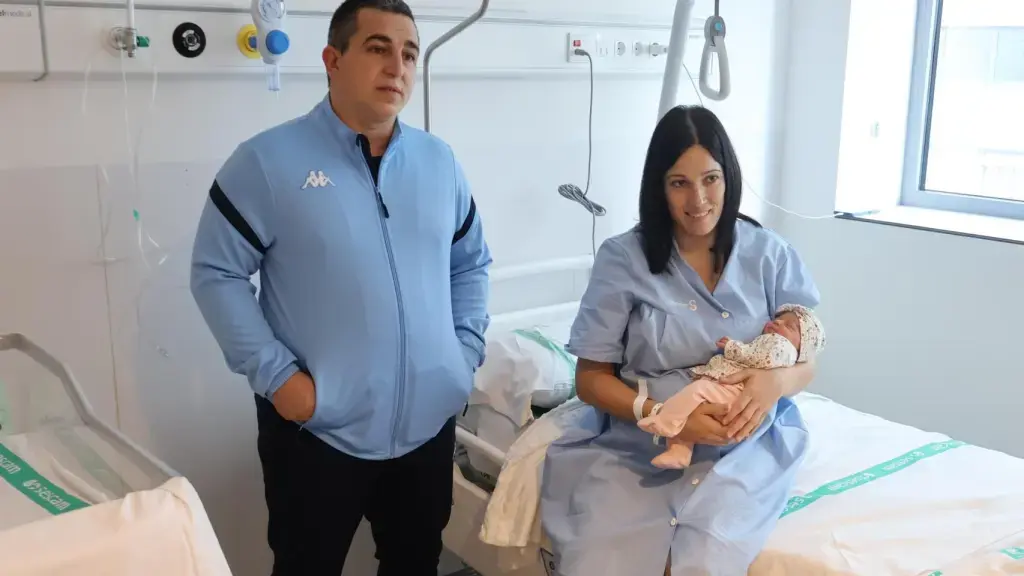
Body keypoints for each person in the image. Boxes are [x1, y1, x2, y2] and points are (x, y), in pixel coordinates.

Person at [189, 0, 492, 574]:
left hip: (427, 426)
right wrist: (280, 380)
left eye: (408, 53)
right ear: (332, 59)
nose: (397, 67)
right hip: (317, 433)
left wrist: (464, 352)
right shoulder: (268, 162)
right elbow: (215, 272)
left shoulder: (439, 163)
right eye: (378, 48)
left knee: (415, 562)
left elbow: (471, 263)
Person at [539, 105, 820, 576]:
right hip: (637, 445)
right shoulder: (623, 260)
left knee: (707, 557)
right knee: (600, 560)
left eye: (710, 179)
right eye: (679, 183)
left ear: (728, 177)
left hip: (745, 446)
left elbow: (806, 357)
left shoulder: (768, 252)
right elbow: (590, 380)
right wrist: (663, 419)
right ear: (659, 187)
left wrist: (774, 385)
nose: (698, 200)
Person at [638, 304, 826, 468]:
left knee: (697, 391)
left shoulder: (781, 346)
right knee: (691, 411)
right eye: (779, 319)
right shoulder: (773, 341)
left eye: (790, 326)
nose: (779, 323)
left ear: (802, 348)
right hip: (733, 388)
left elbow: (759, 357)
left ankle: (665, 421)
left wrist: (732, 347)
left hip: (737, 389)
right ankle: (680, 453)